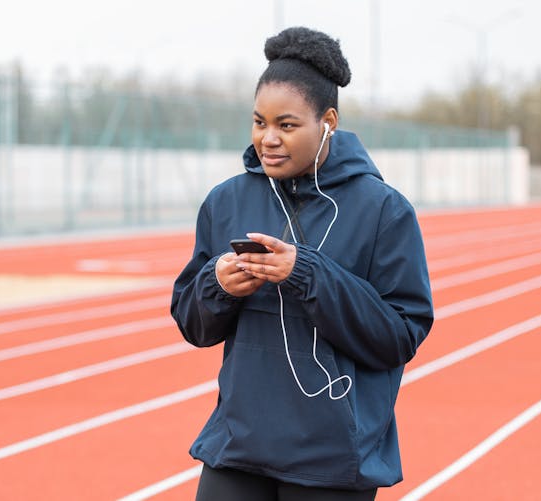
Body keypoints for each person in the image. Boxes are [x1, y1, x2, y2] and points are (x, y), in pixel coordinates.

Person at [171, 26, 433, 500]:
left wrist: (308, 274)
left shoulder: (384, 211)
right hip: (238, 445)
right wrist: (217, 286)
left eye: (286, 126)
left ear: (327, 121)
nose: (268, 139)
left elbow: (399, 336)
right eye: (259, 123)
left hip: (330, 460)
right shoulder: (225, 201)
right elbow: (193, 326)